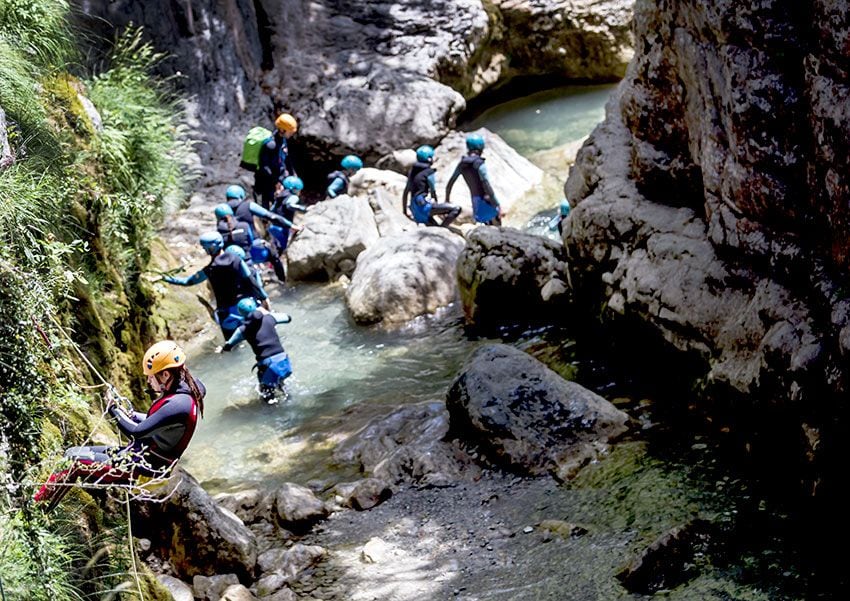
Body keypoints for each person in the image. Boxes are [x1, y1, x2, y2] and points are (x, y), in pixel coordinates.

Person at [34, 341, 205, 509]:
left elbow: (136, 432)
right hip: (136, 457)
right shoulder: (186, 391)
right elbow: (157, 421)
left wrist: (113, 409)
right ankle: (47, 505)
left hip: (141, 470)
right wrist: (128, 413)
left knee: (72, 463)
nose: (148, 381)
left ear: (166, 375)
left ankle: (37, 507)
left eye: (151, 377)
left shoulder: (177, 405)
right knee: (71, 453)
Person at [162, 232, 269, 338]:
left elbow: (188, 282)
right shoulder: (236, 260)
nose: (204, 250)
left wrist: (165, 278)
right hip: (246, 306)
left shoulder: (209, 269)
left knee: (232, 345)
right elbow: (251, 280)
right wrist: (263, 298)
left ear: (210, 248)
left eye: (204, 247)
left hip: (227, 315)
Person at [219, 297, 293, 402]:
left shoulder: (242, 330)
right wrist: (267, 313)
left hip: (269, 366)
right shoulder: (269, 318)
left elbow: (228, 346)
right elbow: (288, 318)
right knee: (283, 389)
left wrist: (221, 349)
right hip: (284, 362)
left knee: (267, 397)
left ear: (240, 313)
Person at [225, 184, 295, 282]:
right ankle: (283, 282)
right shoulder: (248, 205)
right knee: (274, 253)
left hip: (231, 252)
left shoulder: (222, 210)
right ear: (241, 196)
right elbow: (271, 216)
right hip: (255, 250)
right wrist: (291, 225)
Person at [446, 134, 503, 225]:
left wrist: (447, 199)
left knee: (482, 226)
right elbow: (486, 184)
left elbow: (450, 183)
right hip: (486, 200)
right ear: (480, 148)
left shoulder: (462, 164)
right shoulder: (479, 163)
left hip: (475, 201)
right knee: (497, 229)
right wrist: (497, 204)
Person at [402, 145, 460, 227]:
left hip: (414, 209)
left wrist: (404, 211)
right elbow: (433, 192)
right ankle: (442, 228)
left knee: (433, 224)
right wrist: (439, 210)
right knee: (456, 209)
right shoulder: (429, 172)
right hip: (424, 208)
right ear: (429, 159)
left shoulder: (412, 171)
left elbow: (406, 192)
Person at [255, 113, 298, 208]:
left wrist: (293, 173)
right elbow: (264, 166)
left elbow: (286, 158)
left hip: (279, 177)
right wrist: (275, 182)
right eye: (290, 131)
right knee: (267, 201)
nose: (292, 133)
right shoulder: (270, 145)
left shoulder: (283, 140)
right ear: (282, 130)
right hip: (267, 179)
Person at [269, 176, 308, 251]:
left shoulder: (280, 196)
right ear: (295, 189)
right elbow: (289, 205)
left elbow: (271, 210)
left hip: (273, 226)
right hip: (282, 228)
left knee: (274, 248)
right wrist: (304, 209)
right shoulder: (293, 197)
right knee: (280, 249)